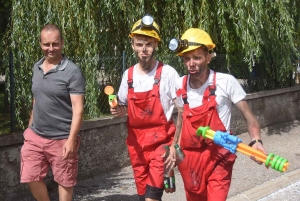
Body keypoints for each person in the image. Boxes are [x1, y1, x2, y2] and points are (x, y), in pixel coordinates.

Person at [167, 28, 268, 201]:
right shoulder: (179, 85)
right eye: (187, 59)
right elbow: (181, 122)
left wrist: (256, 140)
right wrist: (172, 153)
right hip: (190, 159)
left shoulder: (226, 82)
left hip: (219, 155)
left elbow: (249, 116)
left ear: (208, 57)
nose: (191, 63)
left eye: (197, 57)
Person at [110, 15, 179, 201]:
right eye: (139, 44)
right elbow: (124, 107)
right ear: (132, 45)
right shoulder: (128, 75)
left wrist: (175, 146)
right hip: (137, 146)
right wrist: (118, 111)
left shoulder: (168, 73)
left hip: (161, 143)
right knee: (143, 197)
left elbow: (183, 110)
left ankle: (167, 173)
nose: (144, 49)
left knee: (151, 197)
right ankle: (168, 176)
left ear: (156, 44)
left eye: (148, 44)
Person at [20, 24, 85, 201]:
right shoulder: (37, 67)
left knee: (65, 181)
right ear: (40, 44)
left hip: (62, 138)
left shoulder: (72, 71)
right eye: (46, 44)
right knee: (30, 176)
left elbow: (78, 109)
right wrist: (29, 129)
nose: (50, 48)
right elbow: (36, 99)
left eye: (55, 44)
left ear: (62, 43)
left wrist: (71, 140)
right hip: (36, 136)